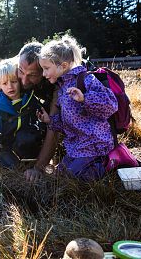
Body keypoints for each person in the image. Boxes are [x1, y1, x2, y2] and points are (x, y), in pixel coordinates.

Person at [0, 42, 58, 182]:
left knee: (53, 121)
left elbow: (54, 129)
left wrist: (38, 168)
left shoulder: (56, 81)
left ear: (43, 70)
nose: (23, 81)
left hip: (70, 98)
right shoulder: (18, 61)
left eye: (32, 75)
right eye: (21, 72)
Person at [37, 35, 118, 181]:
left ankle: (107, 165)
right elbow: (69, 122)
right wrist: (50, 120)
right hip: (76, 147)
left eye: (46, 68)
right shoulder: (62, 87)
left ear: (63, 66)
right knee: (59, 176)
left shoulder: (86, 79)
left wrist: (85, 99)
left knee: (73, 178)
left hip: (94, 145)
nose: (44, 74)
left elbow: (111, 104)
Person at [0, 58, 46, 169]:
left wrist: (42, 124)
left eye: (13, 82)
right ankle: (13, 167)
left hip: (27, 141)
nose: (10, 87)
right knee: (9, 164)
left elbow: (39, 114)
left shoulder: (29, 98)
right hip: (6, 143)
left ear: (20, 80)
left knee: (27, 140)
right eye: (4, 83)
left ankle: (31, 163)